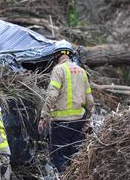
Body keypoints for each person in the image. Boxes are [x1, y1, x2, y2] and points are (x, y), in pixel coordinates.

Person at [38, 40, 94, 172]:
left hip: (61, 124)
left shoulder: (58, 70)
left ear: (56, 55)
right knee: (75, 156)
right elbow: (90, 100)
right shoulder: (81, 71)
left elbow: (51, 96)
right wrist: (88, 119)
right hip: (79, 121)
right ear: (70, 54)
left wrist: (43, 117)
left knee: (60, 156)